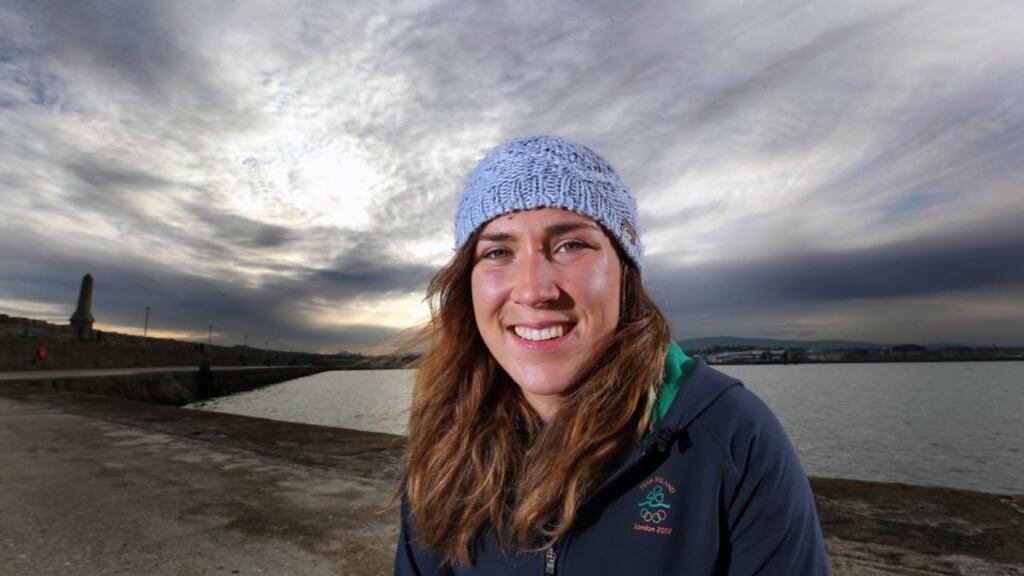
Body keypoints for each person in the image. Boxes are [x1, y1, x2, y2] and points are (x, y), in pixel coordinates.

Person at [395, 135, 830, 575]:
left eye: (570, 246)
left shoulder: (732, 437)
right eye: (497, 252)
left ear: (625, 272)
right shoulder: (447, 438)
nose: (532, 289)